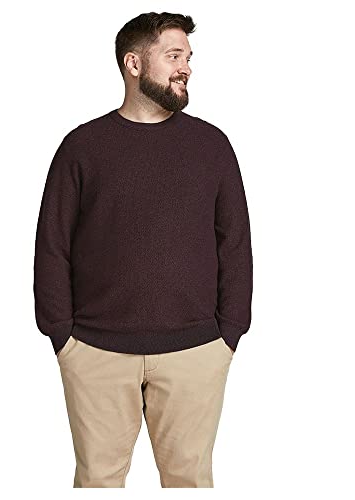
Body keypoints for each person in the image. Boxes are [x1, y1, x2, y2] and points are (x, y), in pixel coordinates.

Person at [33, 11, 253, 488]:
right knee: (98, 483)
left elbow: (235, 243)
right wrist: (62, 336)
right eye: (173, 56)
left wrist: (230, 332)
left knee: (190, 483)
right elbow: (52, 245)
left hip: (196, 350)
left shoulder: (212, 146)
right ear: (133, 64)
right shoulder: (82, 147)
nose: (186, 67)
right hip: (95, 350)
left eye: (188, 57)